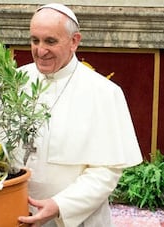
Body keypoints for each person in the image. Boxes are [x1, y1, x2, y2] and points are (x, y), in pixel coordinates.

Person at [16, 3, 142, 226]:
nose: (40, 50)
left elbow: (106, 171)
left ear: (74, 41)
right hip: (15, 214)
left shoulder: (103, 92)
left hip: (76, 219)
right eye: (35, 40)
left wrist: (60, 205)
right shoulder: (13, 82)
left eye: (50, 41)